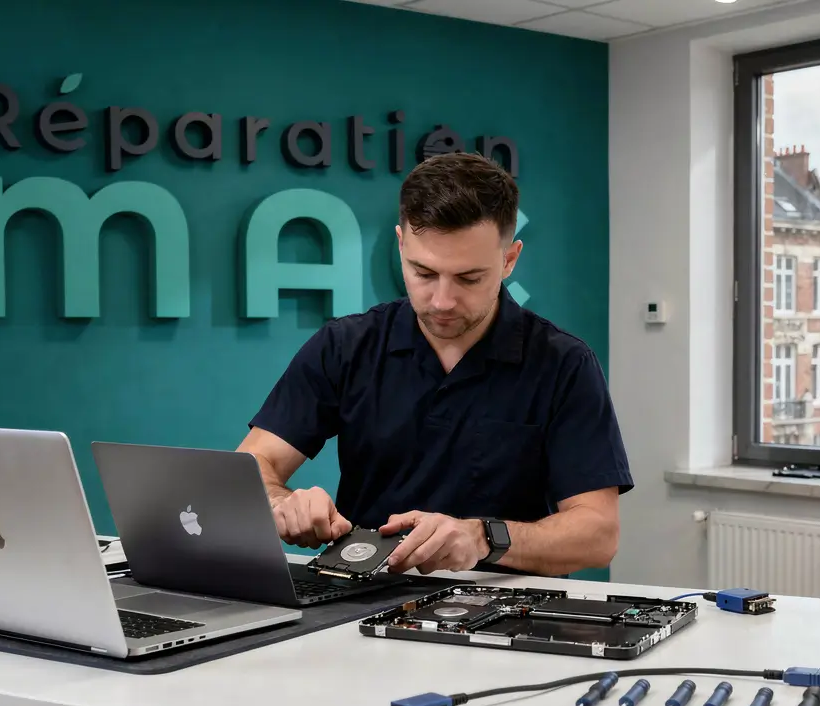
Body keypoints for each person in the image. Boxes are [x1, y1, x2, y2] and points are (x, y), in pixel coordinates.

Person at [236, 152, 632, 576]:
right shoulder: (344, 347)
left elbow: (598, 534)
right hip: (361, 598)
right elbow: (253, 467)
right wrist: (282, 504)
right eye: (423, 273)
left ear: (509, 259)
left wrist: (483, 539)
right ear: (401, 244)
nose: (442, 301)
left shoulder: (564, 364)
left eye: (469, 278)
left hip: (506, 608)